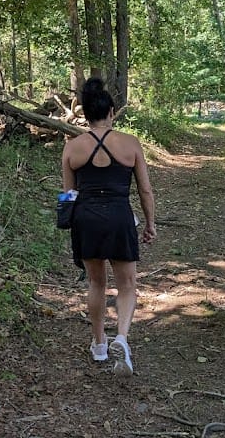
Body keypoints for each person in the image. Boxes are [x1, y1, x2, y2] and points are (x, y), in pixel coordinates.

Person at [61, 78, 157, 376]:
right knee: (127, 284)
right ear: (111, 112)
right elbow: (144, 190)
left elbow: (68, 193)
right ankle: (122, 338)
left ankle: (100, 344)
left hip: (86, 218)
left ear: (85, 115)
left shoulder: (72, 147)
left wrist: (68, 221)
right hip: (119, 215)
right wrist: (150, 223)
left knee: (96, 283)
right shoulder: (130, 143)